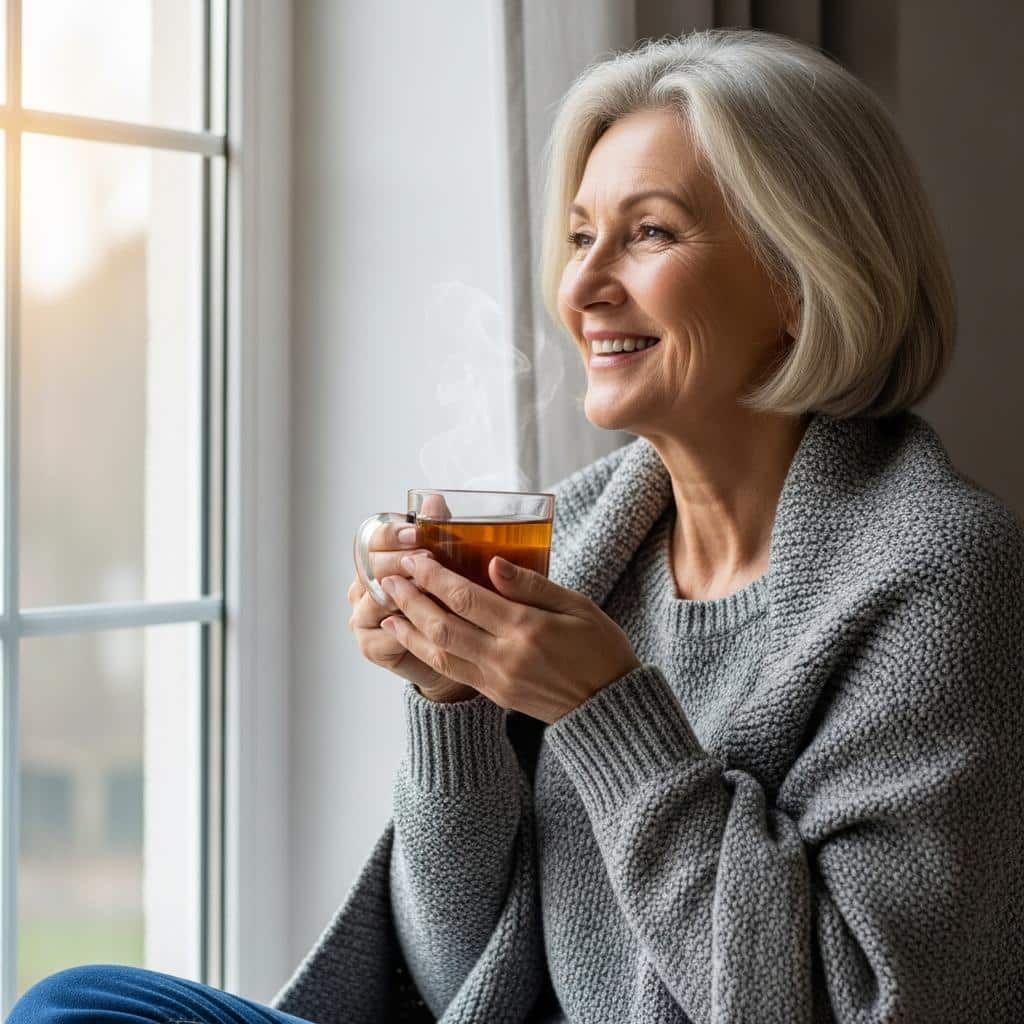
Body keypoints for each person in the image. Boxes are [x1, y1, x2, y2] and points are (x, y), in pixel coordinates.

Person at [10, 25, 1024, 1024]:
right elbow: (454, 979)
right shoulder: (587, 542)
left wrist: (607, 711)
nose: (580, 287)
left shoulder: (936, 579)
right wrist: (450, 709)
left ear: (799, 277)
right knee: (79, 1003)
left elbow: (864, 1002)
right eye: (581, 234)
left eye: (650, 231)